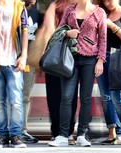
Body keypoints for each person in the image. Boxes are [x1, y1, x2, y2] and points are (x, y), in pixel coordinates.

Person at [47, 0, 107, 147]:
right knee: (66, 97)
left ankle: (82, 134)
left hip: (90, 60)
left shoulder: (99, 12)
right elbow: (58, 32)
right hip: (70, 59)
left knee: (85, 98)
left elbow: (103, 39)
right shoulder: (69, 10)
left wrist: (100, 61)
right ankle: (63, 135)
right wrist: (68, 33)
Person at [0, 0, 29, 148]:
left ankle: (16, 135)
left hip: (13, 61)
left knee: (16, 100)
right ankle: (1, 135)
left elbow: (24, 31)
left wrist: (24, 56)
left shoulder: (19, 6)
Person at [95, 0, 121, 145]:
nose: (107, 2)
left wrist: (111, 25)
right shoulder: (100, 12)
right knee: (105, 97)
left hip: (117, 57)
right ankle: (111, 133)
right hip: (100, 57)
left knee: (115, 96)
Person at [42, 0, 78, 144]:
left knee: (65, 95)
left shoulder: (78, 6)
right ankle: (60, 131)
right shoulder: (55, 6)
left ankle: (64, 131)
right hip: (61, 55)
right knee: (59, 95)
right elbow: (48, 31)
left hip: (66, 56)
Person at [20, 0, 41, 144]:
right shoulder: (14, 8)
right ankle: (7, 129)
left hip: (30, 58)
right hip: (13, 57)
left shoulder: (36, 12)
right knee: (10, 95)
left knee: (25, 95)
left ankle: (22, 130)